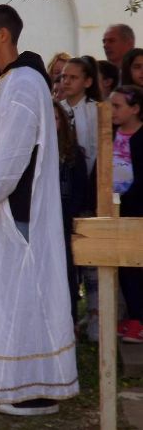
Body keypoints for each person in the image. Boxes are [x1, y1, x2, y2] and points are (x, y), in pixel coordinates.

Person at [0, 4, 78, 416]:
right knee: (3, 295)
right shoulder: (1, 85)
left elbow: (14, 151)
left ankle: (36, 387)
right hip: (0, 205)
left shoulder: (26, 83)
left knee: (26, 295)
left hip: (21, 208)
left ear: (3, 35)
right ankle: (5, 377)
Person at [59, 56, 101, 339]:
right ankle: (69, 317)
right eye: (63, 76)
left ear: (87, 81)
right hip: (64, 192)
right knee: (67, 260)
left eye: (73, 77)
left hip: (91, 191)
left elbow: (99, 151)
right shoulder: (57, 110)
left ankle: (96, 316)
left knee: (92, 259)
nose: (66, 82)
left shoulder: (96, 111)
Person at [111, 85, 143, 344]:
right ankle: (134, 317)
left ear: (135, 109)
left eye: (117, 106)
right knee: (124, 268)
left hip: (137, 210)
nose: (112, 111)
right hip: (115, 211)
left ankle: (139, 321)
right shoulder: (110, 133)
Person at [53, 101, 87, 328]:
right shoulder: (31, 151)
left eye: (56, 118)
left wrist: (67, 216)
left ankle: (69, 324)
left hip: (64, 221)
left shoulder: (73, 153)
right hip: (37, 222)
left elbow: (80, 189)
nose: (51, 123)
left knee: (65, 272)